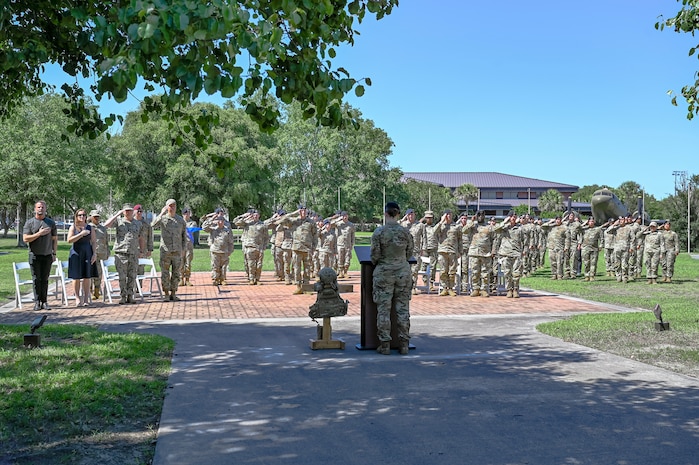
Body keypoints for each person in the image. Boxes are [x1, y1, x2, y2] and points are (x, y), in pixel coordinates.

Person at [370, 201, 413, 355]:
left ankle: (385, 345)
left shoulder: (379, 232)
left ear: (385, 214)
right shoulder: (405, 232)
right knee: (403, 310)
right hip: (403, 273)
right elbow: (409, 253)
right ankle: (404, 345)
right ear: (398, 214)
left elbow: (374, 256)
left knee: (383, 310)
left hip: (384, 273)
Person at [104, 204, 144, 304]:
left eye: (130, 210)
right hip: (121, 253)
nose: (128, 212)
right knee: (122, 276)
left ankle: (130, 296)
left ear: (133, 211)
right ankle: (123, 296)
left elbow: (141, 238)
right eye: (126, 211)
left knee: (132, 276)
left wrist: (142, 250)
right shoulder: (119, 221)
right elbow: (106, 225)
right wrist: (117, 214)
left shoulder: (138, 224)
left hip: (134, 253)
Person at [22, 200, 58, 310]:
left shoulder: (51, 223)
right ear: (35, 209)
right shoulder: (30, 223)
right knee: (36, 279)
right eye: (38, 207)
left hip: (47, 255)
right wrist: (39, 233)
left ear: (45, 209)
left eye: (42, 207)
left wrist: (54, 253)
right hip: (34, 255)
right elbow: (25, 238)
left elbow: (54, 239)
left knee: (45, 279)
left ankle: (45, 302)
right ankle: (37, 302)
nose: (40, 209)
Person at [277, 205, 318, 294]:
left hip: (307, 248)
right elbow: (281, 221)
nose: (303, 212)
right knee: (297, 269)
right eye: (301, 211)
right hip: (296, 248)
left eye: (304, 211)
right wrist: (293, 213)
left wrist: (314, 247)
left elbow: (315, 235)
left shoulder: (311, 222)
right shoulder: (294, 221)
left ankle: (306, 286)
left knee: (307, 269)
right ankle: (298, 286)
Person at [151, 198, 187, 301]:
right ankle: (166, 293)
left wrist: (183, 249)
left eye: (173, 205)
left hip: (177, 251)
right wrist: (162, 213)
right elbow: (153, 224)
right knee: (165, 273)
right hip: (165, 251)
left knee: (176, 273)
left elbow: (184, 236)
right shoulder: (163, 218)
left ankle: (173, 293)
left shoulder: (180, 220)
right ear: (167, 207)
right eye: (170, 206)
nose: (172, 208)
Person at [66, 208, 97, 306]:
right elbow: (69, 240)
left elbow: (93, 241)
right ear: (76, 216)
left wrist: (94, 254)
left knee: (87, 276)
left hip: (87, 252)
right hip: (76, 252)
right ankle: (77, 298)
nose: (82, 217)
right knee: (76, 277)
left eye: (83, 215)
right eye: (80, 215)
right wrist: (81, 234)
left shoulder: (90, 227)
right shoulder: (73, 227)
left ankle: (86, 298)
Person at [463, 211, 496, 297]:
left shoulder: (489, 227)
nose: (480, 217)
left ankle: (484, 289)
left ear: (484, 216)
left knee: (485, 273)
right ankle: (475, 289)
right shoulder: (472, 226)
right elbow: (464, 230)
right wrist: (471, 221)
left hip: (486, 253)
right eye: (479, 215)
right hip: (474, 252)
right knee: (475, 272)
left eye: (482, 215)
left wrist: (493, 251)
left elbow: (494, 239)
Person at [494, 214, 525, 298]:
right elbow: (496, 229)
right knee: (507, 273)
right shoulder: (504, 228)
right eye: (511, 217)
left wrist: (524, 250)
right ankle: (509, 290)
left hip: (516, 253)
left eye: (515, 217)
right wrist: (504, 222)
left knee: (516, 273)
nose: (513, 218)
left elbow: (524, 240)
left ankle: (515, 289)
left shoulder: (520, 228)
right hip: (505, 253)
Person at [201, 212, 235, 285]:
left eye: (222, 221)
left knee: (223, 267)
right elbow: (204, 227)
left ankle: (222, 279)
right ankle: (216, 279)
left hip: (224, 251)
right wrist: (212, 219)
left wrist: (230, 250)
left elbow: (231, 241)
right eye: (219, 221)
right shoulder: (213, 229)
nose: (220, 222)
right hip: (215, 250)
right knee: (215, 266)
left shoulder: (227, 230)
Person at [434, 209, 462, 296]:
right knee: (443, 271)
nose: (449, 216)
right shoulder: (440, 225)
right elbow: (434, 232)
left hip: (452, 251)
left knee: (452, 271)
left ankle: (450, 288)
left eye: (450, 214)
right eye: (447, 215)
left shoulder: (456, 226)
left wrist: (460, 251)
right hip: (442, 251)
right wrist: (441, 221)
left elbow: (460, 239)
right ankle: (444, 288)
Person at [400, 208, 426, 295]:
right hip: (404, 251)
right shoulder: (403, 225)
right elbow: (393, 227)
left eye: (412, 214)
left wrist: (423, 248)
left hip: (416, 251)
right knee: (405, 270)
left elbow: (424, 238)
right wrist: (403, 219)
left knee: (415, 270)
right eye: (409, 215)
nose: (411, 216)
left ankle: (413, 287)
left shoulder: (420, 225)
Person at [89, 210, 110, 300]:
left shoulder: (103, 228)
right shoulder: (88, 227)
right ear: (91, 217)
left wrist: (108, 251)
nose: (96, 218)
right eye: (94, 217)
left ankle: (97, 291)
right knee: (90, 274)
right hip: (91, 254)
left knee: (99, 274)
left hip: (101, 254)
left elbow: (106, 241)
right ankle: (89, 291)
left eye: (98, 216)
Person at [331, 211, 356, 279]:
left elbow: (353, 235)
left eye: (346, 215)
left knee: (347, 260)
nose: (345, 217)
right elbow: (330, 224)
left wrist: (352, 244)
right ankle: (340, 272)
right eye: (343, 216)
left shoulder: (351, 225)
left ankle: (345, 272)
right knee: (340, 259)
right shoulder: (338, 224)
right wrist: (337, 219)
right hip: (339, 244)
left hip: (348, 245)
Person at [420, 210, 439, 291]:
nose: (429, 220)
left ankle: (431, 283)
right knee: (424, 266)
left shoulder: (435, 227)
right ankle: (425, 282)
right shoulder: (422, 226)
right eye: (427, 218)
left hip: (433, 248)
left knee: (433, 266)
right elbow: (416, 225)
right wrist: (422, 219)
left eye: (430, 218)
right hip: (424, 249)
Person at [180, 207, 198, 286]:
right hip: (180, 246)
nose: (186, 215)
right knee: (180, 263)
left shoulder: (192, 223)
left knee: (188, 263)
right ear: (182, 214)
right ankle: (181, 279)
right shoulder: (179, 222)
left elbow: (191, 230)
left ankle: (187, 279)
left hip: (189, 246)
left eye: (187, 213)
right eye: (185, 213)